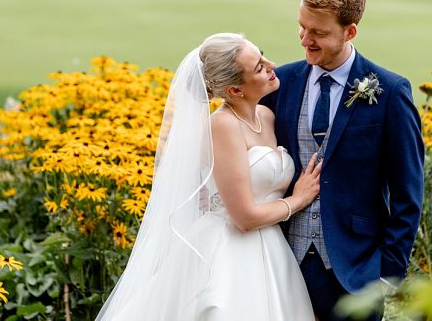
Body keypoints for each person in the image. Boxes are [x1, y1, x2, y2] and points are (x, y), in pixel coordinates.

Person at [95, 33, 322, 321]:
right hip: (230, 250)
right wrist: (298, 200)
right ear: (235, 91)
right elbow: (244, 217)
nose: (271, 64)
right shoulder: (222, 127)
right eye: (258, 67)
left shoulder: (266, 115)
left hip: (274, 250)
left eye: (262, 55)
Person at [262, 0, 425, 321]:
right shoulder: (281, 83)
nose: (305, 40)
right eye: (302, 27)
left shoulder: (391, 91)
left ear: (350, 31)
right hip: (281, 263)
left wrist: (386, 274)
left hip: (356, 272)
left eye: (318, 32)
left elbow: (408, 191)